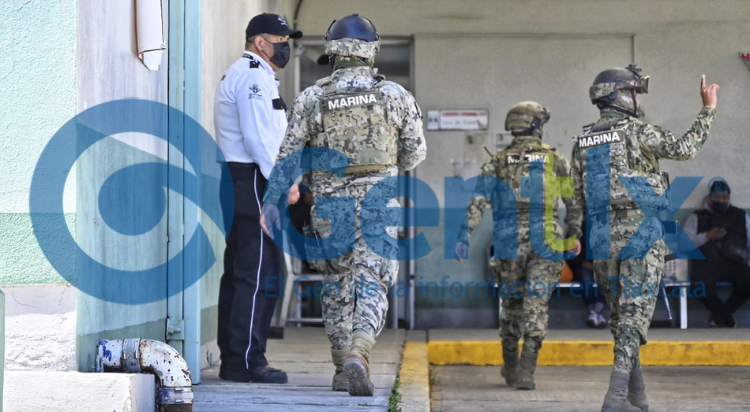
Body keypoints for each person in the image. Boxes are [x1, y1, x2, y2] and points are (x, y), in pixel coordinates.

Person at [261, 14, 426, 396]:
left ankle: (341, 367)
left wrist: (272, 202)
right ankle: (359, 351)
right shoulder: (395, 95)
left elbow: (288, 158)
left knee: (336, 283)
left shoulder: (312, 98)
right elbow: (414, 154)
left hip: (329, 206)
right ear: (371, 50)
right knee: (373, 279)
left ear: (332, 51)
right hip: (377, 201)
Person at [567, 65, 718, 412]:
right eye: (633, 91)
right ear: (618, 96)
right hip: (641, 231)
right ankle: (615, 397)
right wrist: (707, 109)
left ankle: (638, 397)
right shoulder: (638, 131)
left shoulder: (583, 141)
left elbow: (575, 197)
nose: (636, 98)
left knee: (622, 318)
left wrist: (574, 233)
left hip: (602, 236)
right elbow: (684, 148)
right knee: (633, 318)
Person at [454, 102, 580, 391]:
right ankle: (527, 371)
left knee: (511, 304)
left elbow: (478, 199)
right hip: (547, 236)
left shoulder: (499, 160)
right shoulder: (554, 158)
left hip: (508, 236)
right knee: (537, 303)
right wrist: (574, 235)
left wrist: (464, 235)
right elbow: (573, 202)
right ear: (537, 125)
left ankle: (510, 366)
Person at [214, 13, 302, 384]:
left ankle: (237, 358)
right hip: (250, 178)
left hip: (246, 177)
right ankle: (246, 361)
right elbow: (256, 137)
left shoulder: (259, 75)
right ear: (260, 42)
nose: (285, 47)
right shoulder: (251, 76)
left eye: (287, 41)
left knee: (244, 270)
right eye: (279, 40)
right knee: (258, 271)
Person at [683, 181, 750, 328]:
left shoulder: (740, 216)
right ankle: (724, 316)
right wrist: (707, 236)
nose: (721, 201)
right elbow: (684, 245)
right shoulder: (696, 217)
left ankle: (720, 316)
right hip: (706, 264)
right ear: (710, 197)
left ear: (729, 198)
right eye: (717, 197)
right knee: (699, 287)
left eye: (724, 197)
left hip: (735, 263)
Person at [565, 229, 608, 328]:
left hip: (601, 268)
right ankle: (596, 312)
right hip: (581, 267)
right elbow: (570, 256)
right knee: (586, 279)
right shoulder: (576, 231)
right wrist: (584, 264)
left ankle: (595, 313)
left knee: (606, 279)